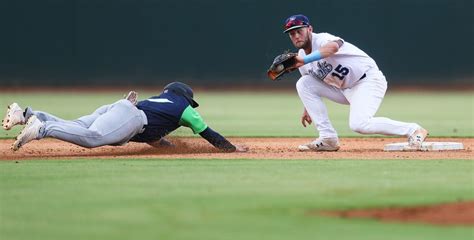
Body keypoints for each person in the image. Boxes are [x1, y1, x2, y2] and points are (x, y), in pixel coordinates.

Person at [280, 14, 428, 151]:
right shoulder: (301, 58)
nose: (296, 35)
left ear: (309, 29)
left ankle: (413, 130)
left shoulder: (322, 39)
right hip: (344, 89)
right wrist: (308, 108)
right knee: (303, 83)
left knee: (359, 124)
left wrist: (304, 60)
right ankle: (328, 139)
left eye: (299, 31)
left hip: (368, 80)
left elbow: (333, 47)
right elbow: (310, 83)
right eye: (292, 33)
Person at [2, 82, 247, 152]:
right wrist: (232, 149)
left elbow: (153, 136)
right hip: (131, 117)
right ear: (186, 97)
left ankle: (26, 115)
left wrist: (167, 148)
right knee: (93, 138)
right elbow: (209, 133)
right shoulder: (184, 108)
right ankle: (41, 129)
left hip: (120, 107)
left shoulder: (161, 103)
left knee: (77, 125)